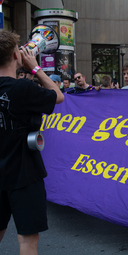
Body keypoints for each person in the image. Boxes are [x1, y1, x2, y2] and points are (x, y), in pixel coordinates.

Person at [0, 30, 64, 255]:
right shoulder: (22, 88)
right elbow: (57, 96)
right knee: (27, 240)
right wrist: (35, 67)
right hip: (23, 173)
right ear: (17, 56)